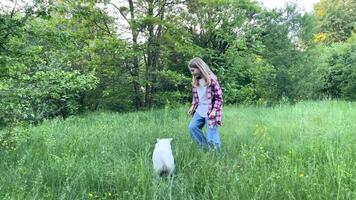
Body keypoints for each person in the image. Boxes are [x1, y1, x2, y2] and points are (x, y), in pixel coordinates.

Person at [187, 57, 223, 151]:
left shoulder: (212, 80)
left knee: (211, 136)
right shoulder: (196, 81)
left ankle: (216, 155)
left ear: (200, 68)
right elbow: (196, 97)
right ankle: (204, 149)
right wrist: (192, 106)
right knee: (192, 127)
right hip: (200, 109)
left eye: (193, 70)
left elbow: (219, 98)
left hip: (211, 110)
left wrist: (214, 110)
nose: (192, 73)